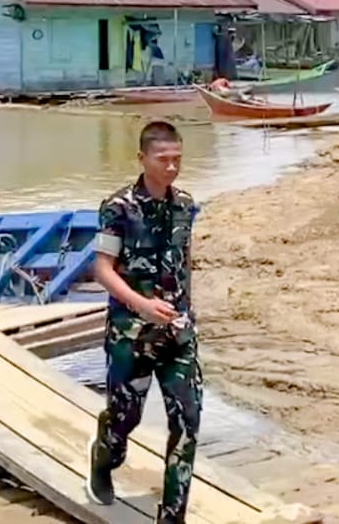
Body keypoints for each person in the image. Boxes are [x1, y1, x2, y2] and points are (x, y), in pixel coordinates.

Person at [85, 120, 202, 524]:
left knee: (187, 424)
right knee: (124, 418)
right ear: (142, 158)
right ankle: (104, 456)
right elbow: (102, 269)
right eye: (163, 159)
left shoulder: (185, 204)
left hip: (178, 333)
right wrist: (141, 305)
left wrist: (185, 311)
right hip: (131, 334)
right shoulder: (117, 208)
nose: (171, 167)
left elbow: (184, 260)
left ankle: (171, 517)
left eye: (177, 159)